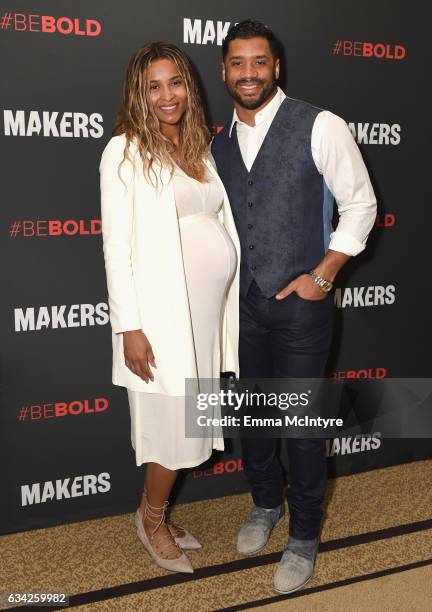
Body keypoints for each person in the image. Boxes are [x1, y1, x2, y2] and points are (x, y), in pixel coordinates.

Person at [211, 20, 377, 593]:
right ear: (225, 71)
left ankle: (305, 534)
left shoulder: (319, 124)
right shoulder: (218, 143)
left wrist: (323, 275)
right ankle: (264, 505)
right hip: (245, 308)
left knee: (303, 425)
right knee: (255, 415)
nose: (249, 72)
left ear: (275, 67)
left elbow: (361, 205)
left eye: (259, 61)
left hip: (304, 307)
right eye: (238, 63)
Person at [99, 42, 240, 574]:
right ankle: (151, 519)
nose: (167, 95)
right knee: (171, 427)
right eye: (154, 86)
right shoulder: (125, 151)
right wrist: (129, 328)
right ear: (139, 92)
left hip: (202, 321)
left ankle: (156, 509)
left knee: (193, 420)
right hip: (159, 322)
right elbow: (117, 249)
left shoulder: (197, 146)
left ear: (189, 87)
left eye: (175, 82)